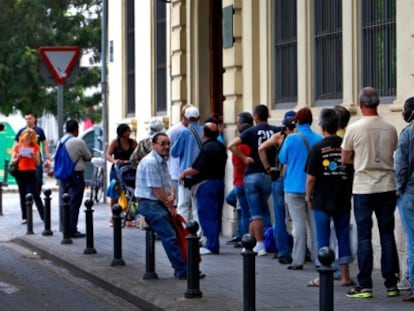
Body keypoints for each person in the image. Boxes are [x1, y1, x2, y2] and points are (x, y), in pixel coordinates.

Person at [342, 87, 400, 298]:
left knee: (364, 235)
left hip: (363, 187)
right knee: (387, 234)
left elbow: (345, 158)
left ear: (361, 104)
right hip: (387, 185)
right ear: (378, 103)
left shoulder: (354, 128)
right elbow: (393, 151)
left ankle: (365, 284)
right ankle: (391, 283)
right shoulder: (391, 128)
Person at [305, 108, 354, 287]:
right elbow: (352, 171)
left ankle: (323, 276)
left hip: (322, 199)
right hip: (342, 198)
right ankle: (345, 276)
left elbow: (311, 178)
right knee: (343, 236)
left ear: (323, 126)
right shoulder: (346, 145)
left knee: (323, 238)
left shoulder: (317, 148)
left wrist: (308, 197)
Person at [228, 104, 282, 256]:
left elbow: (231, 145)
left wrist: (244, 158)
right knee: (262, 209)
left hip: (251, 175)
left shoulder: (251, 131)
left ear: (255, 117)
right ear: (268, 115)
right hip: (268, 175)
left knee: (255, 212)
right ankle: (254, 240)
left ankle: (260, 244)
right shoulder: (276, 130)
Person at [134, 133, 187, 279]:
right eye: (163, 143)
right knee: (169, 235)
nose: (167, 147)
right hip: (149, 203)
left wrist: (172, 195)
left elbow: (167, 182)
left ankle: (185, 266)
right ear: (154, 145)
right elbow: (156, 188)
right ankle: (182, 270)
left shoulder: (162, 161)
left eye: (168, 143)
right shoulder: (151, 162)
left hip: (158, 202)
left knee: (178, 231)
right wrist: (170, 206)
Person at [278, 107, 322, 270]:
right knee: (314, 225)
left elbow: (283, 158)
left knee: (298, 225)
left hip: (293, 187)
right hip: (313, 188)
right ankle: (319, 259)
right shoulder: (318, 139)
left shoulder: (291, 139)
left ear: (296, 121)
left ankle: (298, 260)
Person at [179, 122, 227, 255]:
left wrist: (183, 173)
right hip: (219, 182)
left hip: (207, 185)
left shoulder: (207, 148)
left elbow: (197, 168)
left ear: (204, 133)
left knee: (207, 215)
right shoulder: (221, 146)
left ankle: (211, 245)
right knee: (215, 215)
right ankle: (213, 242)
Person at [258, 110, 296, 264]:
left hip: (279, 179)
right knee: (298, 219)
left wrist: (268, 168)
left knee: (279, 217)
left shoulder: (279, 137)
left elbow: (261, 149)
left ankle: (283, 251)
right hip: (295, 180)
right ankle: (302, 250)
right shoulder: (300, 137)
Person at [394, 96, 414, 302]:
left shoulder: (408, 133)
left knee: (413, 242)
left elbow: (400, 168)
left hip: (410, 193)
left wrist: (397, 191)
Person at [58, 119, 92, 238]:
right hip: (76, 174)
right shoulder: (78, 141)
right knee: (74, 203)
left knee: (64, 202)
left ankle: (64, 227)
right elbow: (88, 156)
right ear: (76, 130)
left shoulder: (60, 141)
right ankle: (72, 229)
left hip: (63, 175)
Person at [14, 112, 52, 216]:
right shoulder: (21, 132)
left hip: (34, 165)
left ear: (34, 119)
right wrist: (17, 155)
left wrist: (47, 157)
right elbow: (15, 149)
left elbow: (44, 145)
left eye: (29, 118)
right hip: (22, 169)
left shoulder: (39, 131)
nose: (27, 120)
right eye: (26, 118)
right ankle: (26, 213)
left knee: (38, 182)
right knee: (23, 191)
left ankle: (42, 213)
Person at [170, 106, 203, 224]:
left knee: (183, 205)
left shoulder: (183, 132)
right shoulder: (204, 130)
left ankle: (183, 232)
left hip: (186, 174)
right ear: (199, 117)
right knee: (197, 205)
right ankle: (198, 233)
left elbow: (174, 152)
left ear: (185, 117)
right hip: (200, 174)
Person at [226, 112, 254, 246]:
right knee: (245, 209)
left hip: (240, 182)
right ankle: (242, 234)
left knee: (244, 211)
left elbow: (236, 163)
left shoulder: (238, 147)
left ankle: (244, 236)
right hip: (246, 181)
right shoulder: (252, 145)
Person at [106, 123, 138, 227]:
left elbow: (138, 154)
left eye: (129, 131)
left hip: (129, 170)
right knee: (115, 193)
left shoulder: (133, 143)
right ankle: (114, 216)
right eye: (126, 131)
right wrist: (114, 160)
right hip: (117, 170)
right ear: (121, 133)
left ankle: (128, 216)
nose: (128, 133)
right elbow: (108, 154)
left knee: (129, 192)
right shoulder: (116, 142)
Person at [11, 128, 44, 223]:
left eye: (30, 139)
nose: (27, 141)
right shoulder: (18, 146)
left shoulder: (35, 147)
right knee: (22, 194)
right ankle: (25, 217)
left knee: (35, 194)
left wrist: (32, 155)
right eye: (26, 139)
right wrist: (18, 157)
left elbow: (38, 163)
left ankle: (43, 215)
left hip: (31, 171)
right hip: (20, 172)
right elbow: (12, 160)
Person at [166, 104, 193, 206]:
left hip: (189, 172)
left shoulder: (193, 130)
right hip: (175, 171)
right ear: (183, 115)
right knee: (176, 202)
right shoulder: (174, 130)